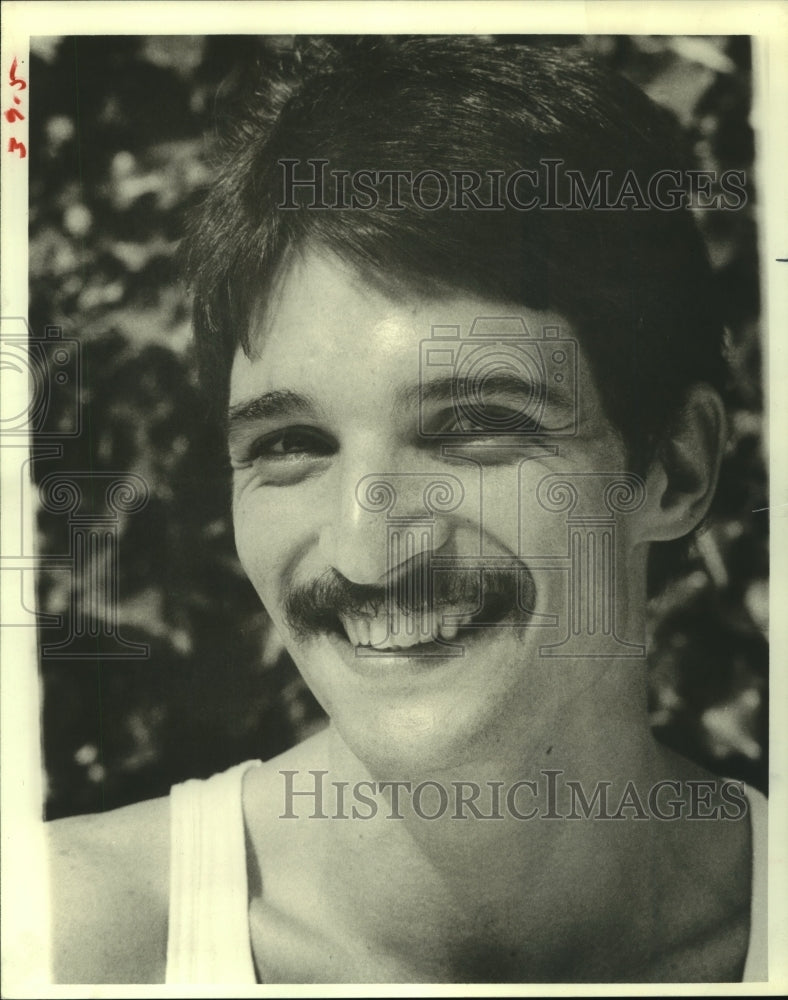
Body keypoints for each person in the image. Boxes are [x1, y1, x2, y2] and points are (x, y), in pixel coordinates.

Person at [47, 36, 766, 984]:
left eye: (473, 428)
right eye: (289, 446)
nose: (364, 550)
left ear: (674, 467)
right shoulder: (70, 935)